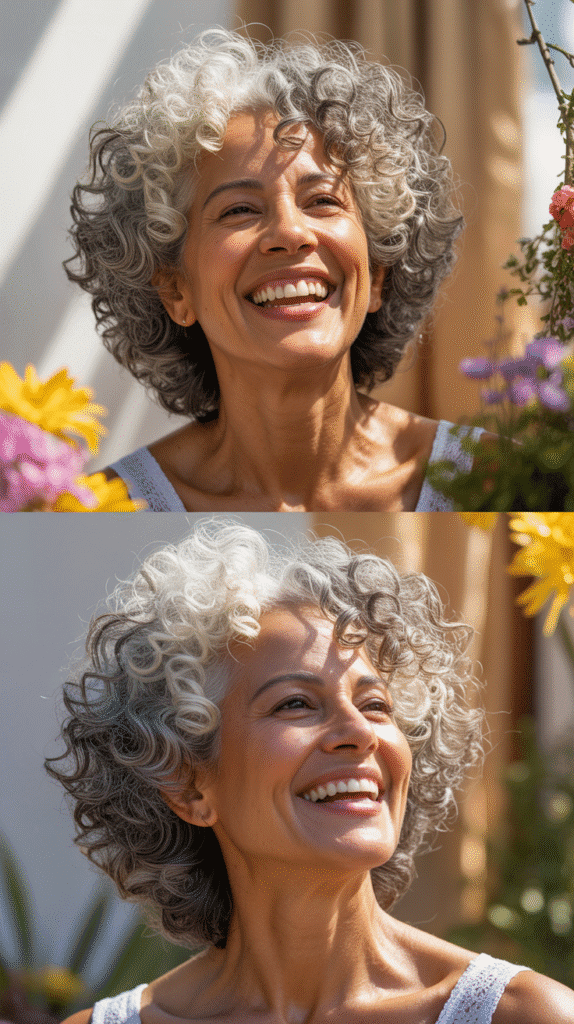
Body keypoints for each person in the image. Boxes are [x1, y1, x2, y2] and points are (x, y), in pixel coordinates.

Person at [47, 521, 574, 1024]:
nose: (360, 732)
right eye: (295, 704)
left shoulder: (526, 1016)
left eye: (376, 705)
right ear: (188, 784)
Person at [65, 28, 485, 512]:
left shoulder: (506, 483)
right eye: (239, 210)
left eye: (323, 200)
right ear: (175, 289)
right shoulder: (99, 509)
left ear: (379, 274)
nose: (290, 232)